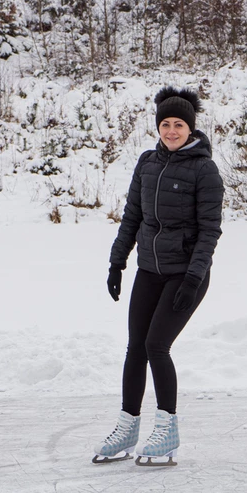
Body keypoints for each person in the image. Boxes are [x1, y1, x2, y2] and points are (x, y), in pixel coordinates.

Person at [92, 86, 224, 467]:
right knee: (135, 347)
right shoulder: (147, 163)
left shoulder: (204, 169)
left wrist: (193, 279)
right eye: (165, 124)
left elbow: (209, 231)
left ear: (190, 128)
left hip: (185, 273)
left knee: (156, 346)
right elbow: (132, 215)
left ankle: (167, 429)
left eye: (178, 124)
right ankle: (127, 426)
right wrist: (117, 263)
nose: (171, 130)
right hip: (149, 269)